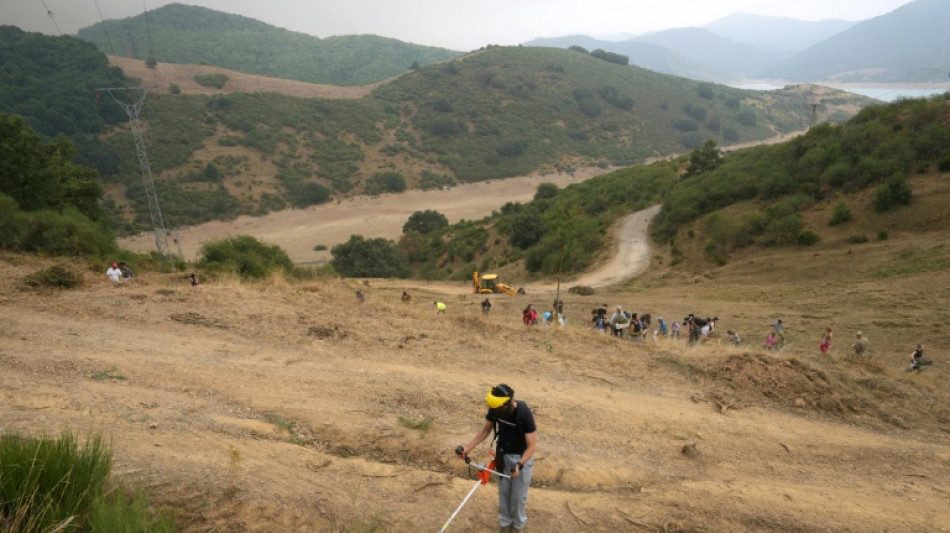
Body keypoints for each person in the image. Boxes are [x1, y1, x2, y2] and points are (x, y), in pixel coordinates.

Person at [458, 384, 536, 532]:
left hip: (521, 458)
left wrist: (519, 465)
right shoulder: (496, 409)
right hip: (502, 456)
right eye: (494, 408)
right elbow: (485, 430)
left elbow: (531, 447)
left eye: (499, 408)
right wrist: (468, 448)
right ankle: (505, 525)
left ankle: (518, 526)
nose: (496, 411)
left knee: (518, 498)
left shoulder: (524, 413)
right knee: (504, 494)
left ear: (508, 402)